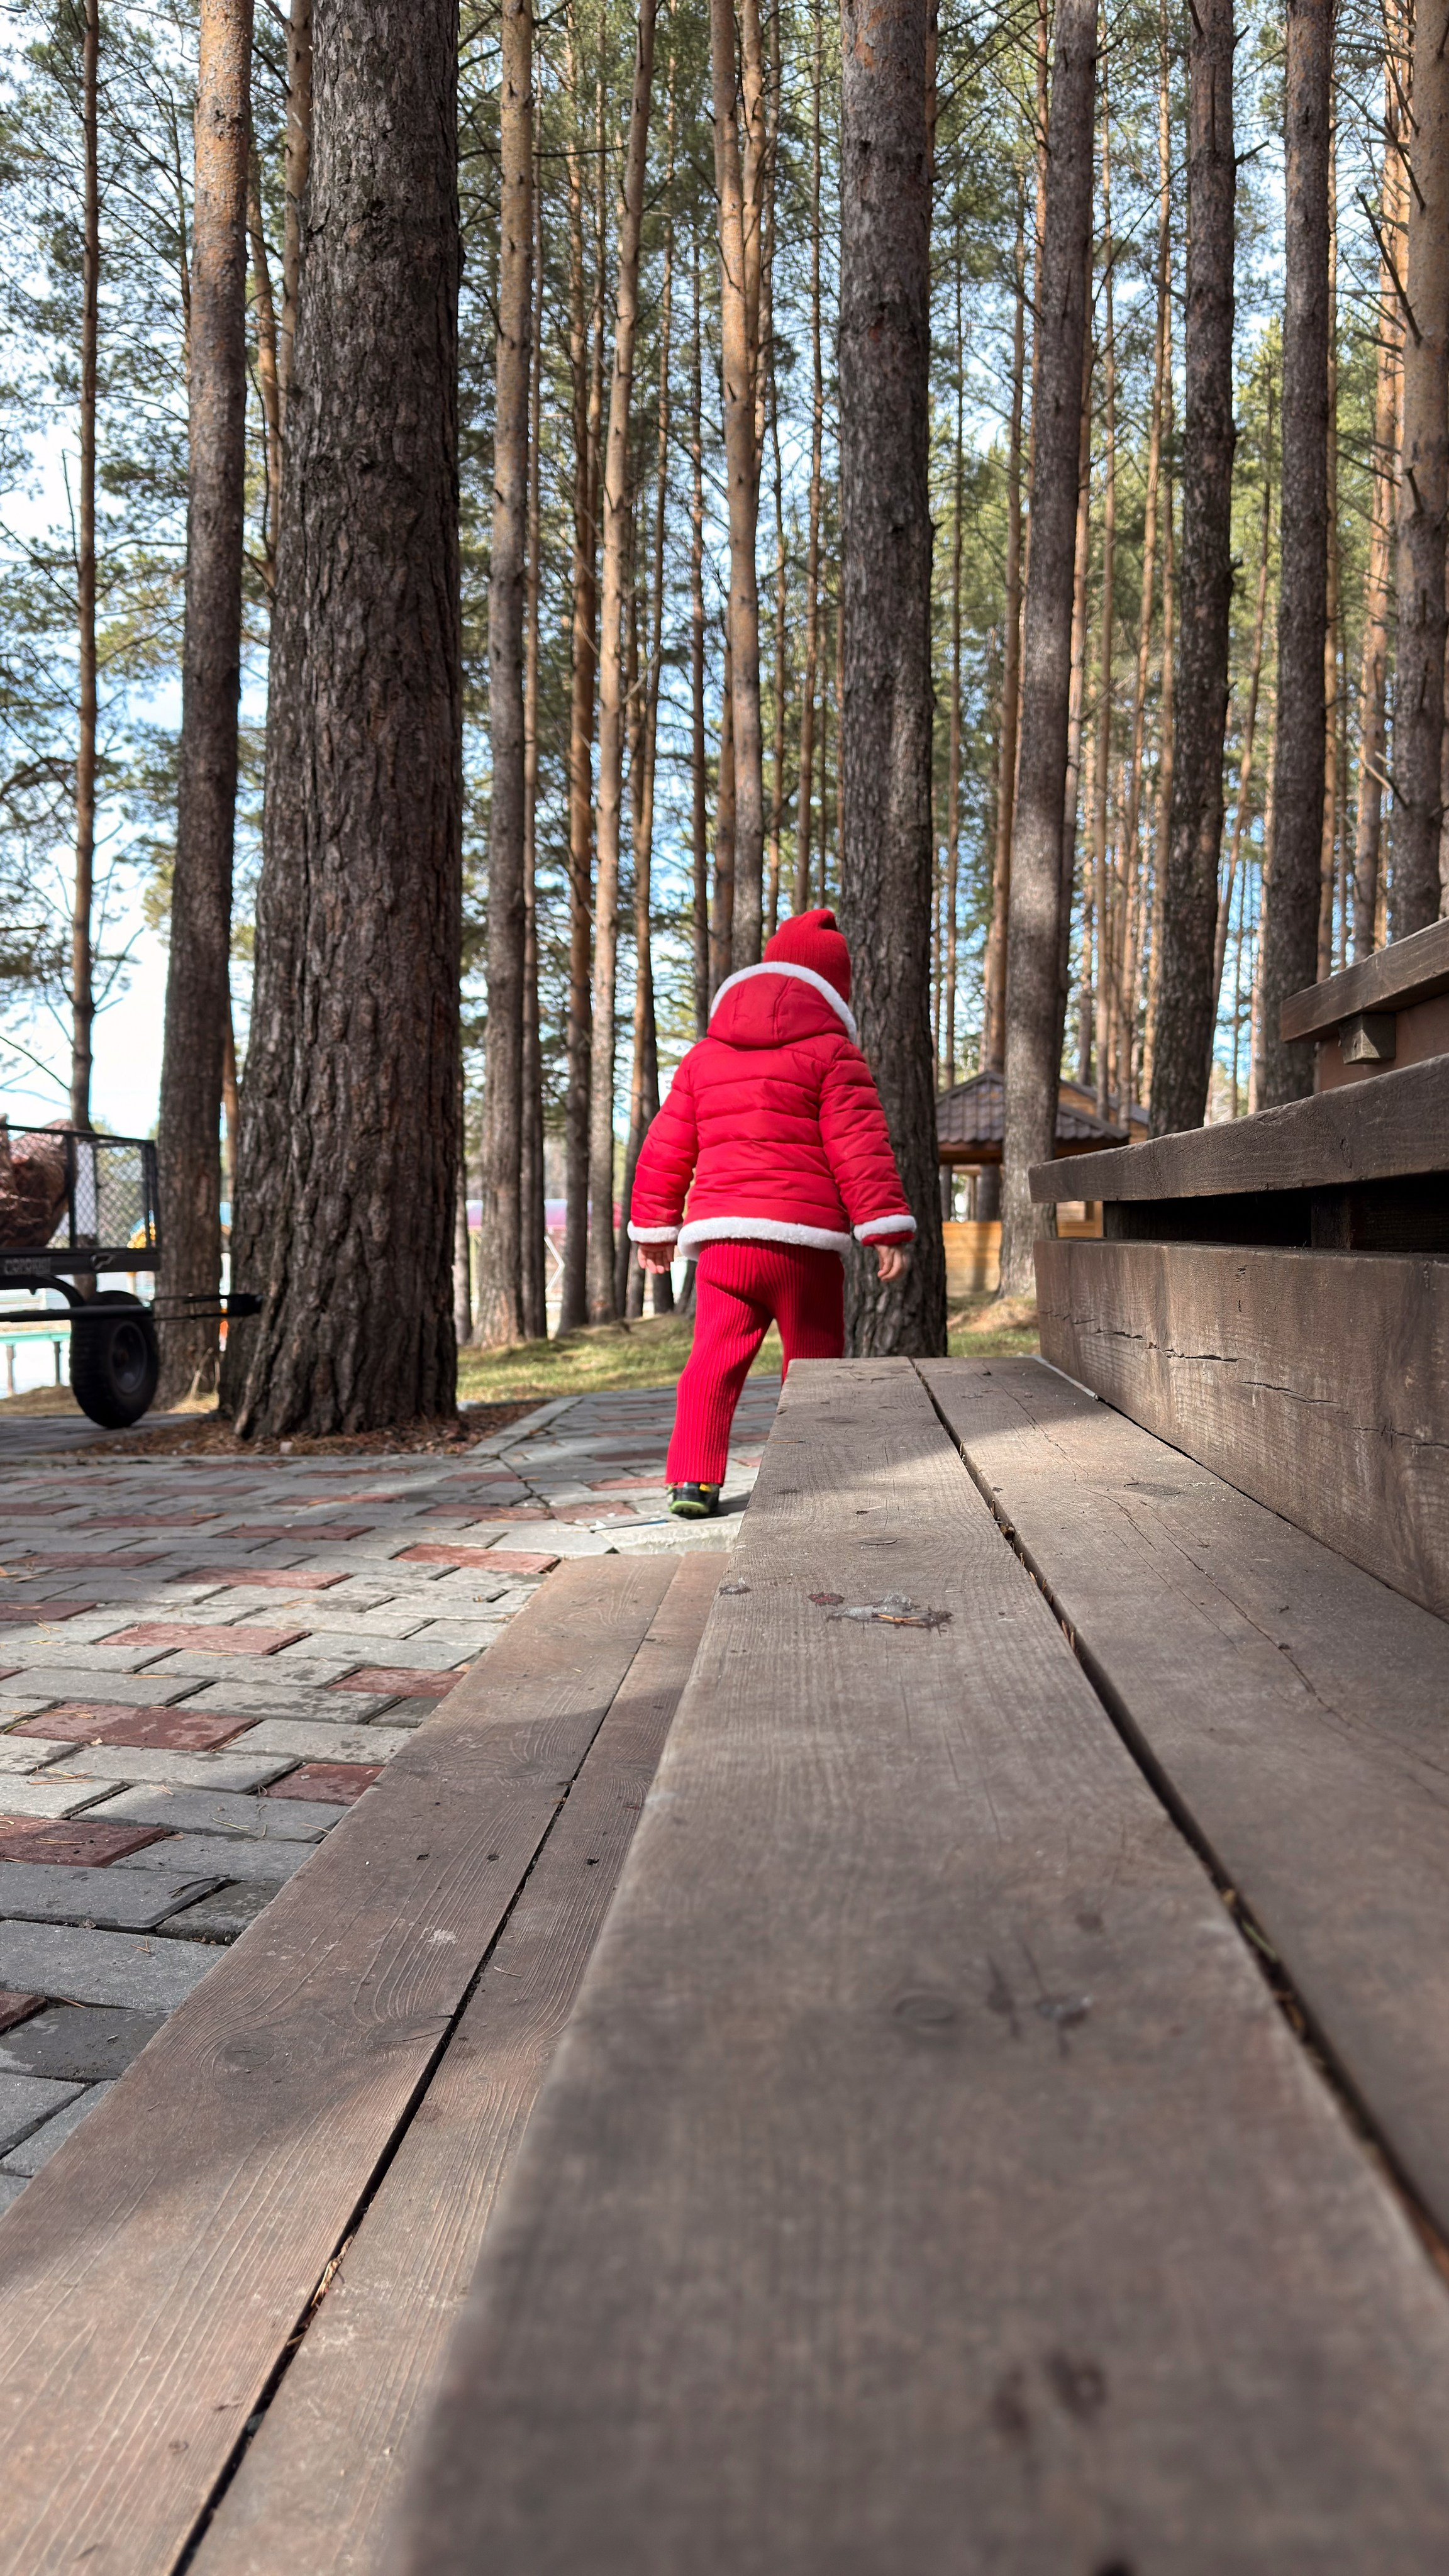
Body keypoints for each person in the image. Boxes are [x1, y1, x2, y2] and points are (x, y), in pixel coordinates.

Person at [628, 908, 914, 1518]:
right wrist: (884, 1226)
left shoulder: (704, 1056)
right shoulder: (834, 1053)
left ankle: (692, 1480)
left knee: (712, 1361)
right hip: (804, 1247)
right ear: (834, 990)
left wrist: (655, 1227)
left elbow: (666, 1146)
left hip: (725, 1245)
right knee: (814, 1365)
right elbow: (860, 1146)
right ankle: (813, 1474)